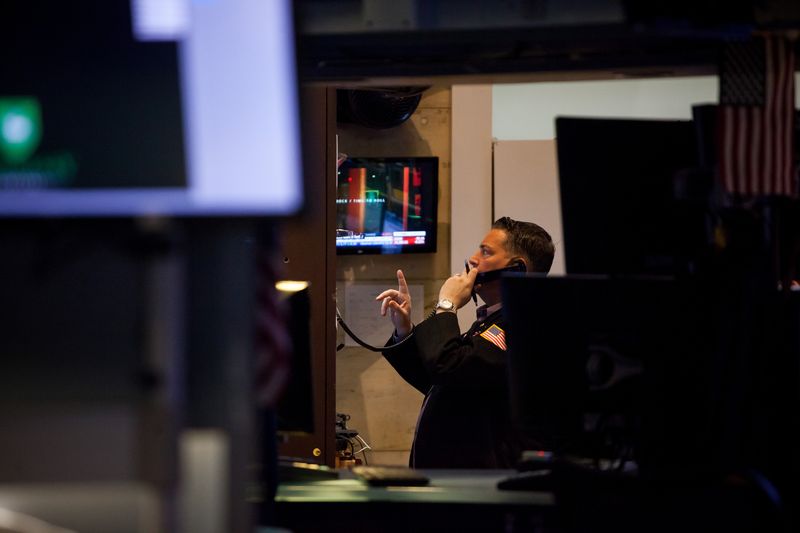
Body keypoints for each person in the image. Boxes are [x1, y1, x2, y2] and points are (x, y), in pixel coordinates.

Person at [376, 217, 555, 468]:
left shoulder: (521, 327)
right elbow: (440, 382)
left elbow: (449, 366)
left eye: (486, 252)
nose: (473, 259)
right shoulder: (492, 322)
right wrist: (404, 330)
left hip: (484, 481)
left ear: (517, 269)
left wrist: (447, 304)